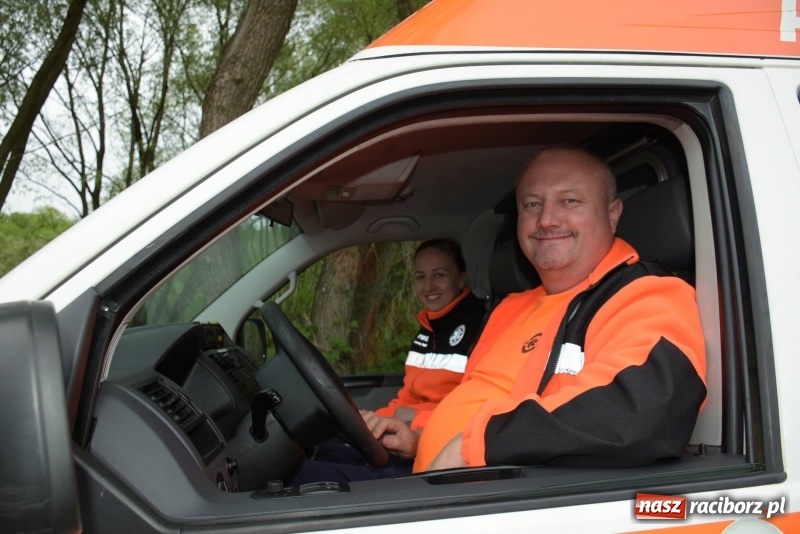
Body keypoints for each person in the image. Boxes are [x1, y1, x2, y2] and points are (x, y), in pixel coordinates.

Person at [367, 145, 707, 474]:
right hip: (434, 486)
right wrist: (421, 438)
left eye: (569, 200)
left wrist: (473, 446)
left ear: (612, 214)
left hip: (514, 500)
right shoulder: (509, 308)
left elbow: (642, 409)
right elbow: (476, 402)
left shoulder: (644, 295)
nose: (546, 220)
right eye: (532, 204)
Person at [290, 238, 487, 484]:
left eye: (439, 275)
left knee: (303, 475)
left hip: (432, 451)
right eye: (420, 277)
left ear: (460, 279)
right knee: (319, 446)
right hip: (407, 434)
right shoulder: (429, 328)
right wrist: (371, 423)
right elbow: (407, 397)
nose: (428, 286)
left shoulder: (481, 327)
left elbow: (470, 407)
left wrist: (412, 418)